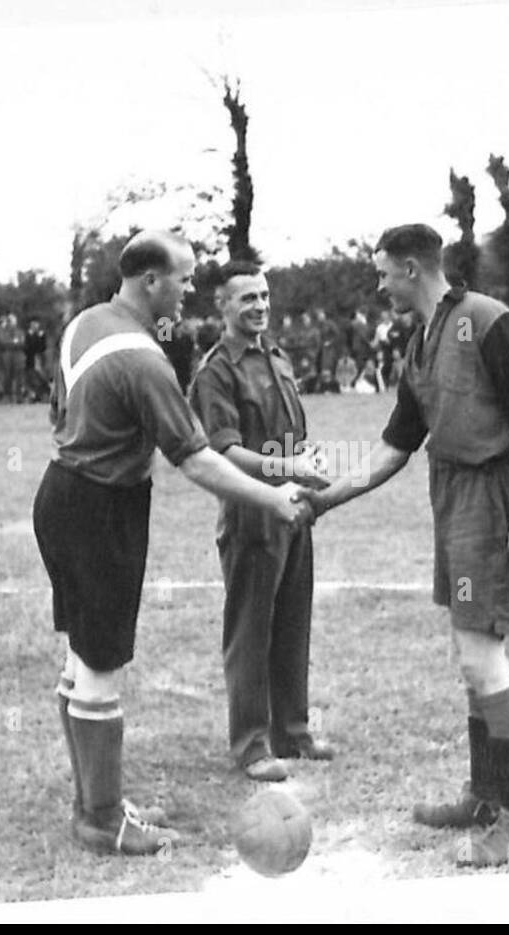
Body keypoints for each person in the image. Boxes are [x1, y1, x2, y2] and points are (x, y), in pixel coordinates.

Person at [33, 230, 314, 857]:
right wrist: (273, 497)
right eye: (184, 280)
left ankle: (94, 804)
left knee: (81, 659)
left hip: (61, 495)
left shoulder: (84, 324)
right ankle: (104, 821)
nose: (191, 291)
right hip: (102, 507)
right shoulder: (143, 358)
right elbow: (196, 458)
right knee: (101, 667)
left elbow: (59, 411)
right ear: (151, 281)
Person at [304, 224, 509, 868]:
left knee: (481, 654)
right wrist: (327, 498)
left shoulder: (486, 320)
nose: (379, 283)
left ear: (413, 269)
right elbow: (396, 445)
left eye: (384, 272)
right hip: (449, 495)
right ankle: (483, 794)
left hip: (488, 498)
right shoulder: (421, 341)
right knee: (468, 653)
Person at [189, 261, 334, 782]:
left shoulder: (276, 356)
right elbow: (222, 449)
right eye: (246, 298)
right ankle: (251, 745)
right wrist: (284, 469)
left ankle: (292, 732)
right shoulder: (216, 371)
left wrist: (306, 462)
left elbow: (290, 430)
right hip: (253, 514)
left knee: (293, 621)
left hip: (295, 509)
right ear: (222, 307)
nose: (259, 306)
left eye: (264, 296)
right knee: (251, 631)